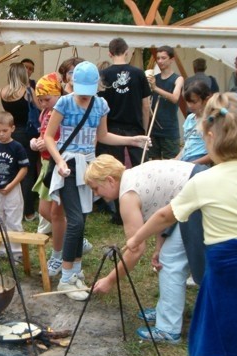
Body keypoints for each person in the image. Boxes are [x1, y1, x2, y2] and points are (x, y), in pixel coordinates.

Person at [125, 93, 237, 356]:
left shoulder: (204, 180)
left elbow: (165, 216)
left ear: (210, 138)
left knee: (222, 347)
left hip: (227, 275)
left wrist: (136, 237)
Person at [43, 61, 150, 301]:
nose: (83, 95)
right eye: (79, 89)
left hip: (89, 166)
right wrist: (59, 161)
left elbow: (102, 136)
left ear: (96, 86)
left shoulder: (101, 104)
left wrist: (132, 141)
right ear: (72, 84)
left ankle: (75, 271)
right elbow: (49, 137)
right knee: (75, 222)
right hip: (68, 164)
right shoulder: (64, 102)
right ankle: (67, 278)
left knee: (81, 219)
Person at [85, 154, 204, 343]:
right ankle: (165, 311)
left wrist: (109, 280)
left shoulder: (128, 195)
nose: (96, 194)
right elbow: (161, 209)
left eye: (96, 188)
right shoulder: (132, 175)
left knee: (171, 262)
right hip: (194, 188)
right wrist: (159, 247)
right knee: (167, 257)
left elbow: (136, 250)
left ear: (109, 180)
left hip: (198, 194)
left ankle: (168, 329)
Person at [30, 72, 92, 277]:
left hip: (61, 164)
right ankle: (74, 241)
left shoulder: (64, 109)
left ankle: (59, 256)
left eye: (47, 99)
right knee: (45, 210)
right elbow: (45, 135)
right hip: (48, 164)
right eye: (40, 100)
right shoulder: (46, 112)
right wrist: (36, 142)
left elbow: (66, 139)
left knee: (56, 214)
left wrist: (48, 145)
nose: (43, 103)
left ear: (58, 94)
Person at [96, 37, 152, 225]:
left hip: (111, 130)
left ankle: (120, 214)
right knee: (138, 171)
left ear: (110, 53)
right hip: (135, 128)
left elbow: (99, 106)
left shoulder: (103, 75)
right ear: (127, 52)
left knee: (115, 173)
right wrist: (145, 129)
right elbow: (146, 106)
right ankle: (141, 211)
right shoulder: (138, 74)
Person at [0, 111, 29, 259]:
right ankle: (0, 249)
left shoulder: (17, 147)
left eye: (4, 131)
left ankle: (16, 252)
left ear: (12, 128)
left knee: (13, 219)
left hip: (11, 189)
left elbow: (24, 168)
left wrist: (12, 185)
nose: (1, 134)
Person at [0, 63, 40, 222]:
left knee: (13, 171)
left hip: (11, 133)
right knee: (28, 171)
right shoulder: (28, 91)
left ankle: (12, 209)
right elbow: (39, 107)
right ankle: (28, 211)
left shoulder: (2, 91)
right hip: (27, 133)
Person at [147, 45, 184, 160]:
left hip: (169, 130)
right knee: (154, 164)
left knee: (171, 164)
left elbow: (175, 98)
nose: (160, 61)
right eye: (158, 58)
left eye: (163, 58)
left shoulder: (178, 79)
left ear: (172, 60)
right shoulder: (154, 78)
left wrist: (155, 88)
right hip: (154, 128)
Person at [175, 81, 213, 165]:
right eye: (188, 102)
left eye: (194, 102)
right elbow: (187, 146)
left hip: (200, 164)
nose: (190, 105)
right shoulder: (190, 118)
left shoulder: (211, 121)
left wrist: (193, 163)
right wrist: (175, 160)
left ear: (206, 100)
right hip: (186, 161)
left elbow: (214, 153)